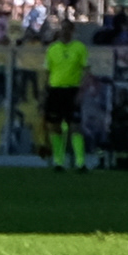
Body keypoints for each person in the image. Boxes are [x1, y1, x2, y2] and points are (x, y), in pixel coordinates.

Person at [41, 23, 92, 172]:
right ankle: (58, 161)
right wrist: (45, 92)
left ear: (72, 31)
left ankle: (80, 162)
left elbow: (86, 71)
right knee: (55, 126)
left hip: (73, 90)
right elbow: (47, 72)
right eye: (62, 29)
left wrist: (81, 91)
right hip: (55, 90)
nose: (64, 32)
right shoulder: (52, 49)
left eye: (67, 30)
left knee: (75, 126)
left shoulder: (79, 48)